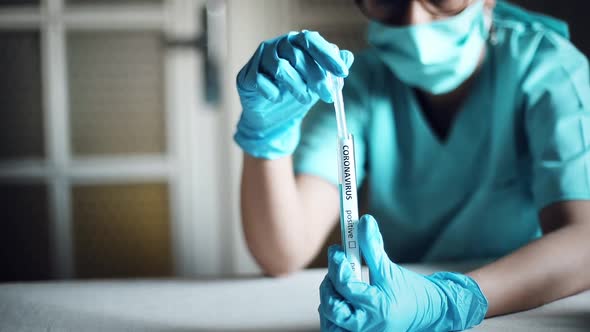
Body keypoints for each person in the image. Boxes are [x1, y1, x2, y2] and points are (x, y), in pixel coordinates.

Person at [234, 0, 590, 330]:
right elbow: (283, 251)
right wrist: (269, 138)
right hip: (391, 318)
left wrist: (449, 302)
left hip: (519, 311)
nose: (413, 21)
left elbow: (583, 241)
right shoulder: (351, 84)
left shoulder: (548, 67)